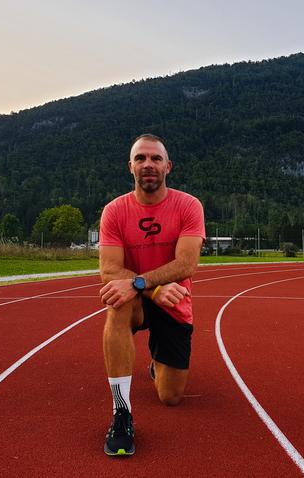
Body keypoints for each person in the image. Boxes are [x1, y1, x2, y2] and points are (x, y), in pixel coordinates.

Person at [98, 133, 205, 456]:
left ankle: (157, 365)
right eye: (141, 158)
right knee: (116, 302)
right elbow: (109, 271)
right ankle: (121, 412)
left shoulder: (188, 206)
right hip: (140, 300)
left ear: (168, 167)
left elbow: (187, 264)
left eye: (155, 159)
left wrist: (146, 285)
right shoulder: (115, 211)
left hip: (173, 303)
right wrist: (152, 289)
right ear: (130, 166)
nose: (148, 165)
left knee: (171, 398)